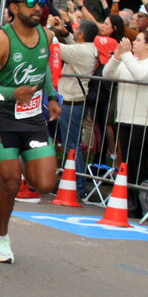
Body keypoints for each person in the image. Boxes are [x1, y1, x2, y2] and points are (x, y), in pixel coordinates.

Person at [0, 0, 61, 264]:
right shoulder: (1, 39)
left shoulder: (46, 36)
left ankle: (25, 158)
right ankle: (0, 240)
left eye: (41, 3)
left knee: (46, 183)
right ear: (14, 8)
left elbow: (43, 68)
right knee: (11, 183)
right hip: (1, 116)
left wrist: (52, 96)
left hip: (32, 117)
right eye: (31, 2)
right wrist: (13, 93)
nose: (38, 7)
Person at [102, 30, 148, 216]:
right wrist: (116, 56)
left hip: (145, 120)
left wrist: (127, 55)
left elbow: (142, 76)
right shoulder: (130, 60)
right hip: (125, 118)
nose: (134, 43)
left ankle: (139, 202)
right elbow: (108, 74)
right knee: (127, 161)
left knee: (138, 161)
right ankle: (128, 199)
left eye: (138, 40)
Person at [47, 18, 100, 194]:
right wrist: (65, 33)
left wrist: (49, 29)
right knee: (71, 144)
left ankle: (77, 185)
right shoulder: (90, 49)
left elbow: (55, 46)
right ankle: (75, 183)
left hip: (71, 104)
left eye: (76, 31)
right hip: (75, 102)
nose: (74, 32)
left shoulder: (79, 51)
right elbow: (71, 44)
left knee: (72, 145)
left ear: (82, 34)